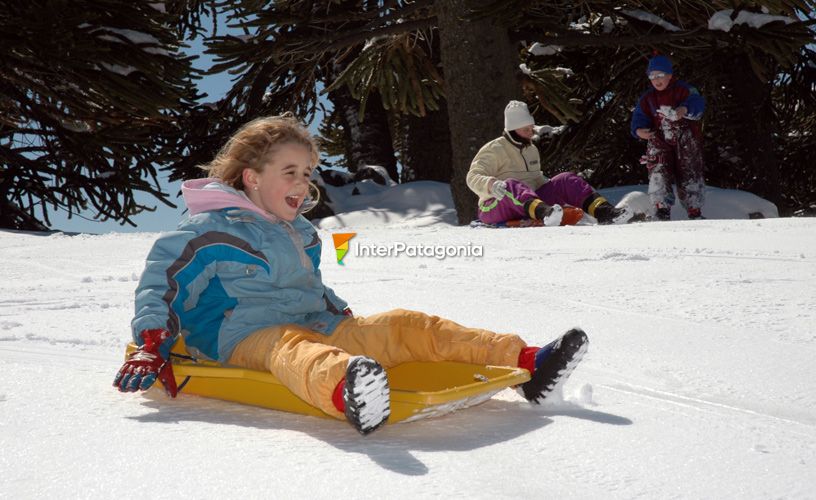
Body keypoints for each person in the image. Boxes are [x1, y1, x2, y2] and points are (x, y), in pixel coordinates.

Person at [113, 114, 589, 436]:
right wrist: (152, 343)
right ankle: (348, 391)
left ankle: (526, 361)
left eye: (308, 173)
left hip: (315, 322)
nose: (303, 184)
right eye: (290, 172)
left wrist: (340, 314)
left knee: (404, 324)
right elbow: (161, 282)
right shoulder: (210, 228)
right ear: (252, 177)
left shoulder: (299, 230)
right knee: (293, 351)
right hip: (242, 335)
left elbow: (309, 287)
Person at [467, 100, 640, 227]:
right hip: (495, 205)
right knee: (511, 185)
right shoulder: (494, 149)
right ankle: (545, 213)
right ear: (512, 130)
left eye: (531, 129)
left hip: (530, 203)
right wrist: (491, 184)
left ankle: (605, 212)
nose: (530, 133)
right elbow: (472, 176)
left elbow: (535, 179)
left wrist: (555, 187)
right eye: (525, 130)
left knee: (566, 179)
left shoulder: (531, 150)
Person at [631, 55, 706, 220]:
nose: (656, 80)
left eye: (660, 75)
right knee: (658, 171)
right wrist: (639, 131)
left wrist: (684, 110)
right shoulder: (647, 98)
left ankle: (694, 210)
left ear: (670, 75)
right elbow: (639, 117)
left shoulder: (684, 89)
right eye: (652, 76)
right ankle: (661, 208)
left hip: (685, 137)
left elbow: (698, 103)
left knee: (689, 171)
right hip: (658, 138)